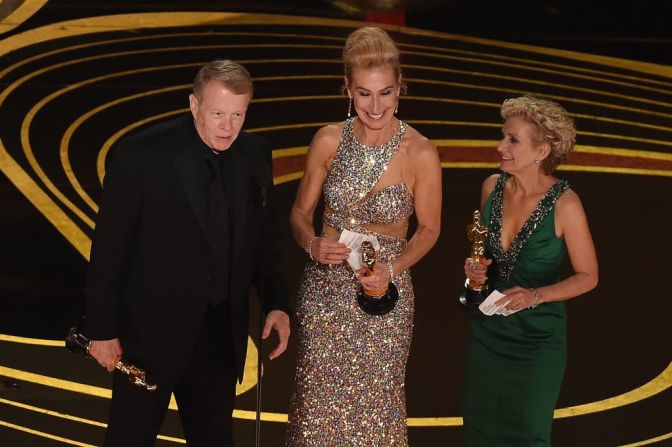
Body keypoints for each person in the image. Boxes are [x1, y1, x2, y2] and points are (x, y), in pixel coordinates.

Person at [83, 60, 291, 447]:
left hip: (219, 340)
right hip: (147, 340)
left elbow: (264, 241)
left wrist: (276, 303)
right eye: (217, 114)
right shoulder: (141, 156)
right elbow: (109, 250)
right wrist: (101, 331)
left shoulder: (256, 153)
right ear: (194, 105)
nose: (228, 127)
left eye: (238, 115)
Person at [286, 26, 442, 446]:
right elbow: (300, 213)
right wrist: (311, 243)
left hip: (384, 290)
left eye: (386, 93)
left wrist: (391, 269)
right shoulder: (327, 140)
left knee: (377, 411)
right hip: (326, 292)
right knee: (317, 410)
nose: (376, 106)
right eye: (365, 94)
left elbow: (429, 230)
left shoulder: (420, 152)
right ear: (348, 90)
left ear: (400, 89)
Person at [462, 95, 598, 446]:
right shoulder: (491, 188)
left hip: (537, 341)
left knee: (527, 435)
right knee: (480, 431)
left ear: (542, 152)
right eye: (503, 136)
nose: (500, 146)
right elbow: (487, 261)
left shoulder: (566, 204)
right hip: (488, 333)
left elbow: (588, 276)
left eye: (512, 140)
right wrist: (475, 273)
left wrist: (536, 295)